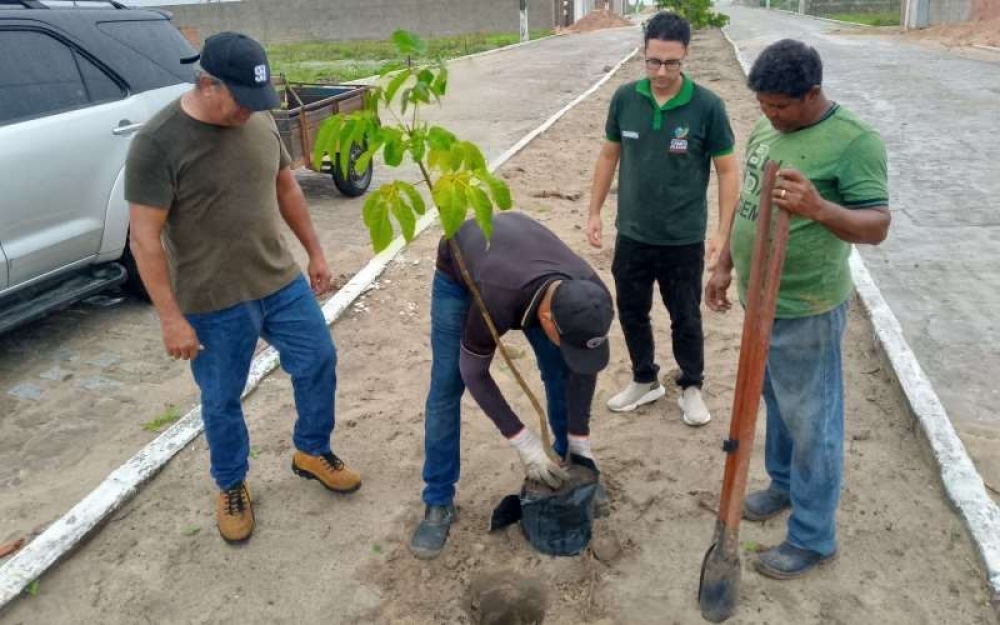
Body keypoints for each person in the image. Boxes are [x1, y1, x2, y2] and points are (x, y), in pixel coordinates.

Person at [125, 32, 361, 544]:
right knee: (221, 398)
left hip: (277, 279)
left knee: (319, 358)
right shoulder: (157, 143)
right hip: (211, 300)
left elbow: (286, 186)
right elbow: (143, 239)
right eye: (240, 100)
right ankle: (231, 484)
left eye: (258, 101)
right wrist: (171, 317)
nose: (249, 112)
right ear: (207, 83)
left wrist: (315, 252)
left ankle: (311, 450)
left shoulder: (256, 118)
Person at [706, 39, 890, 578]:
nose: (770, 115)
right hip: (759, 299)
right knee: (779, 407)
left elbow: (877, 224)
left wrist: (818, 206)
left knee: (813, 423)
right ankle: (782, 485)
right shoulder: (771, 125)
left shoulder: (855, 141)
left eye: (781, 106)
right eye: (764, 106)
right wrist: (723, 265)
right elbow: (748, 203)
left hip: (806, 305)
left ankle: (813, 536)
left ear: (812, 93)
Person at [410, 212, 615, 559]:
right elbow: (474, 371)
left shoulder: (592, 294)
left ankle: (572, 463)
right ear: (547, 321)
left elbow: (583, 365)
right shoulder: (497, 293)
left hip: (528, 270)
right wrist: (525, 443)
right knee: (447, 385)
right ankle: (438, 499)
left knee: (560, 369)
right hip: (463, 274)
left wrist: (581, 440)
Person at [586, 11, 739, 426]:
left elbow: (727, 171)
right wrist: (595, 211)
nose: (661, 71)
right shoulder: (625, 99)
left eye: (672, 62)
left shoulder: (707, 106)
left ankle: (691, 385)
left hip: (682, 237)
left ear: (686, 56)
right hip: (633, 232)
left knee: (684, 315)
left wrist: (722, 234)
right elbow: (608, 155)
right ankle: (644, 379)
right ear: (644, 53)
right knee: (632, 310)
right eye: (653, 61)